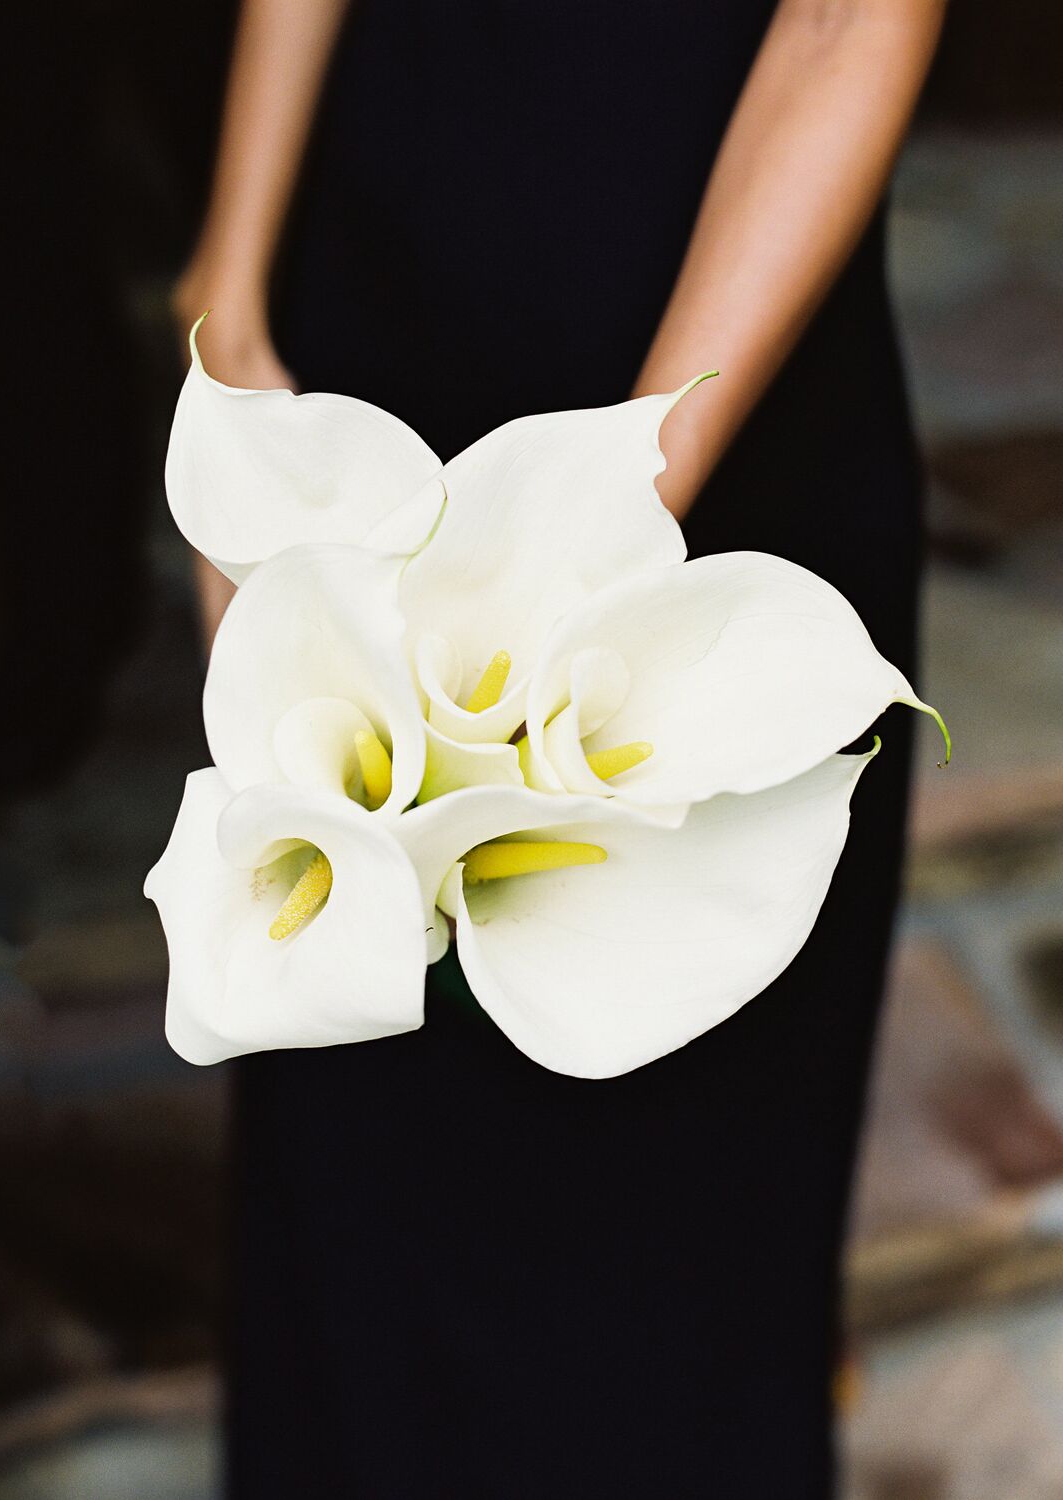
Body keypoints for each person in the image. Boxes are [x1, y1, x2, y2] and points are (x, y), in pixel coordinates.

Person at [176, 2, 946, 1495]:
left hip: (717, 373)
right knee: (356, 1157)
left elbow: (853, 19)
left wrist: (606, 515)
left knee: (664, 1243)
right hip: (369, 323)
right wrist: (235, 290)